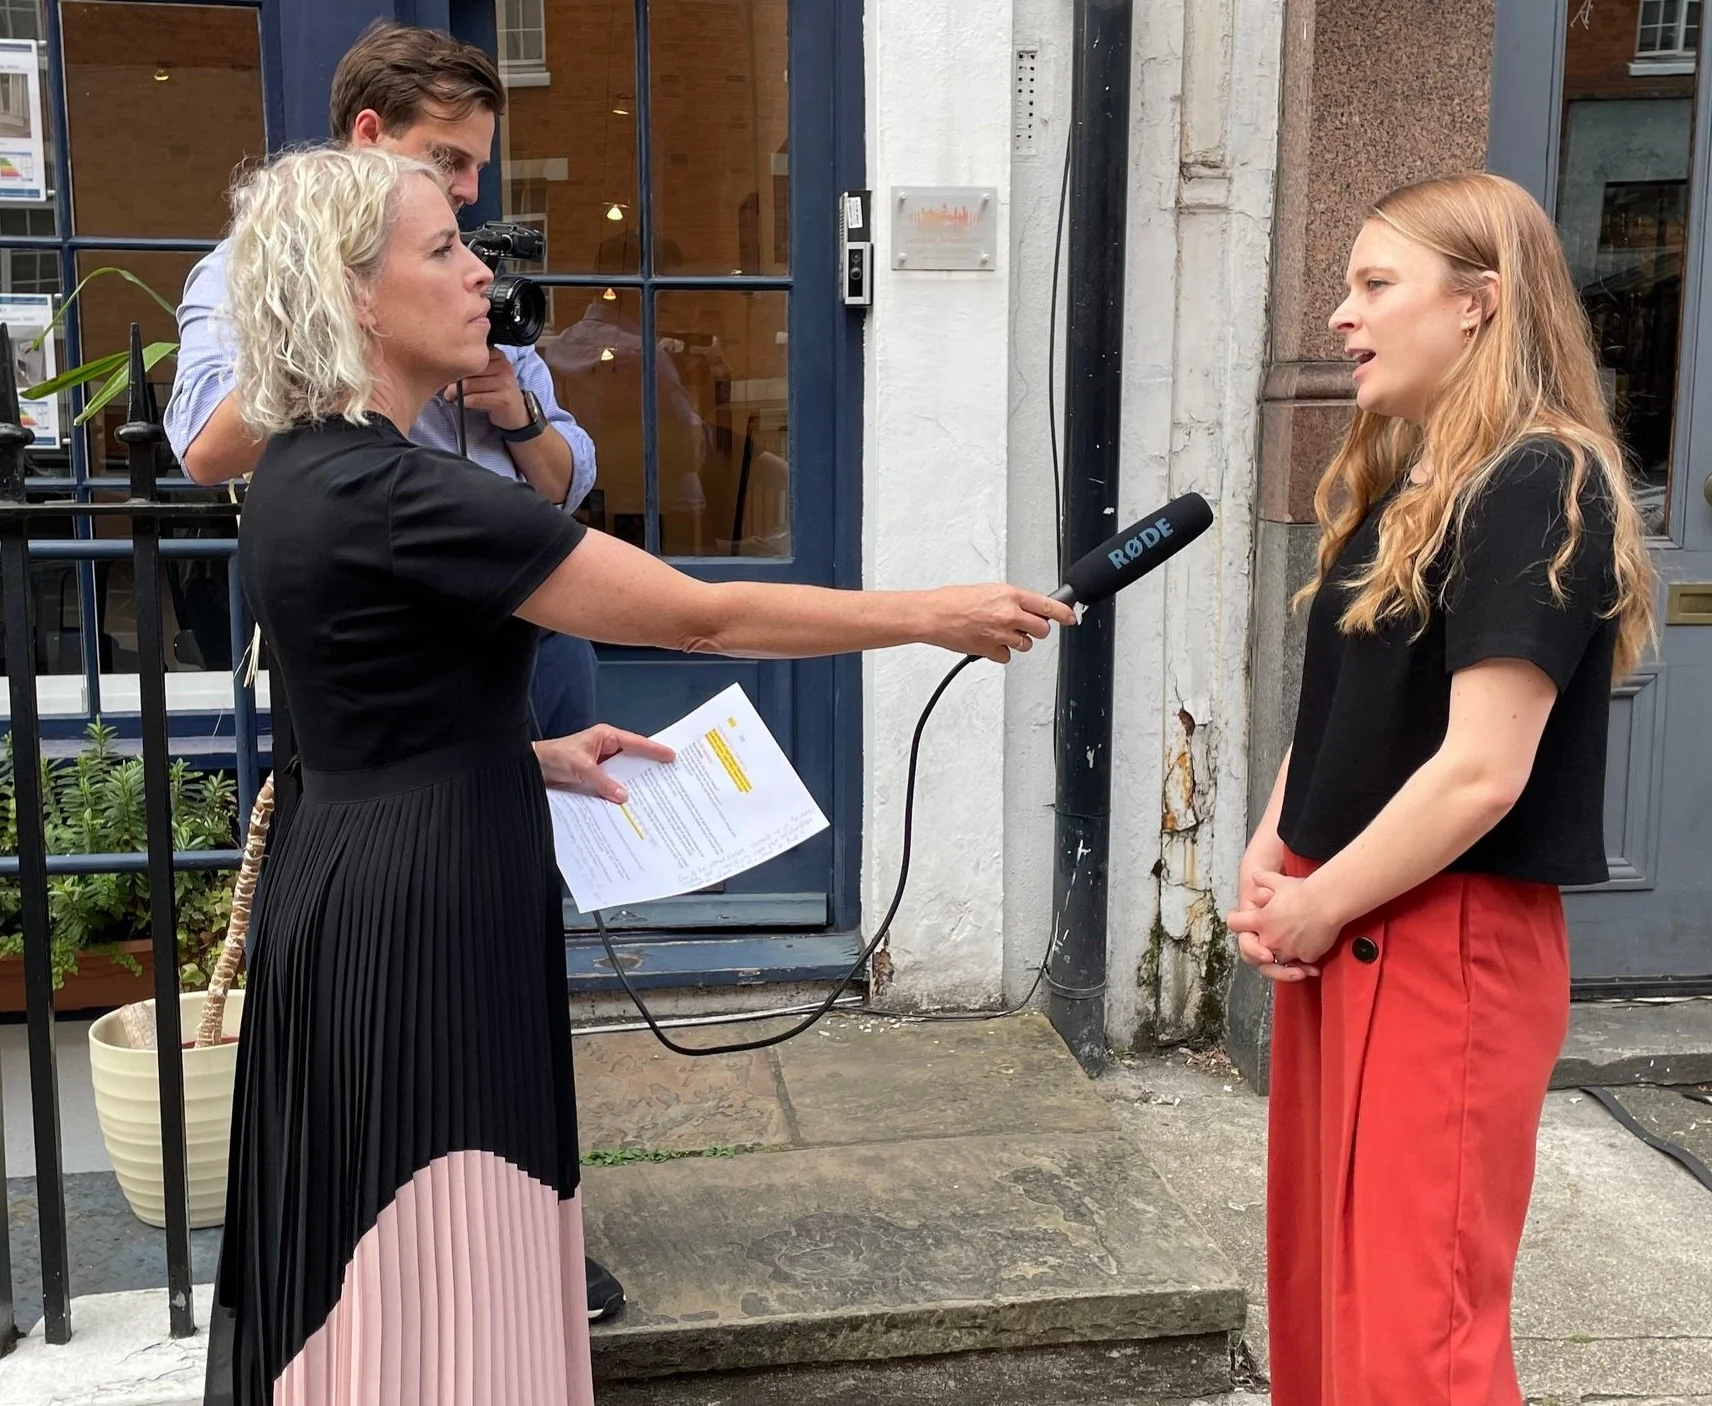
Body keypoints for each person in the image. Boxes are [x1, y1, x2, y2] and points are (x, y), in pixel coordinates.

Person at [205, 142, 1072, 1405]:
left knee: (368, 1213)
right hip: (423, 907)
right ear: (352, 294)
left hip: (351, 878)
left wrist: (535, 748)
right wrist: (933, 610)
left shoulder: (295, 469)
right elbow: (695, 618)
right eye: (442, 250)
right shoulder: (402, 491)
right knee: (441, 1199)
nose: (477, 279)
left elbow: (362, 690)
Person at [1227, 170, 1656, 1405]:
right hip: (1350, 911)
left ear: (1479, 303)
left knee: (1421, 1322)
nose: (1343, 319)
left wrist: (1317, 899)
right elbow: (1354, 712)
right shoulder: (1408, 476)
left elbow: (1479, 768)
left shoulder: (1537, 480)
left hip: (1444, 935)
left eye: (1374, 286)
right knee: (1331, 1287)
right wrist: (1275, 847)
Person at [166, 19, 604, 744]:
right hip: (411, 650)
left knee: (575, 847)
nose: (468, 188)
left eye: (476, 167)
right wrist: (349, 333)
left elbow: (566, 479)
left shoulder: (464, 266)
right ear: (369, 132)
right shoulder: (248, 271)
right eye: (447, 159)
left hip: (539, 621)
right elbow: (206, 453)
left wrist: (521, 417)